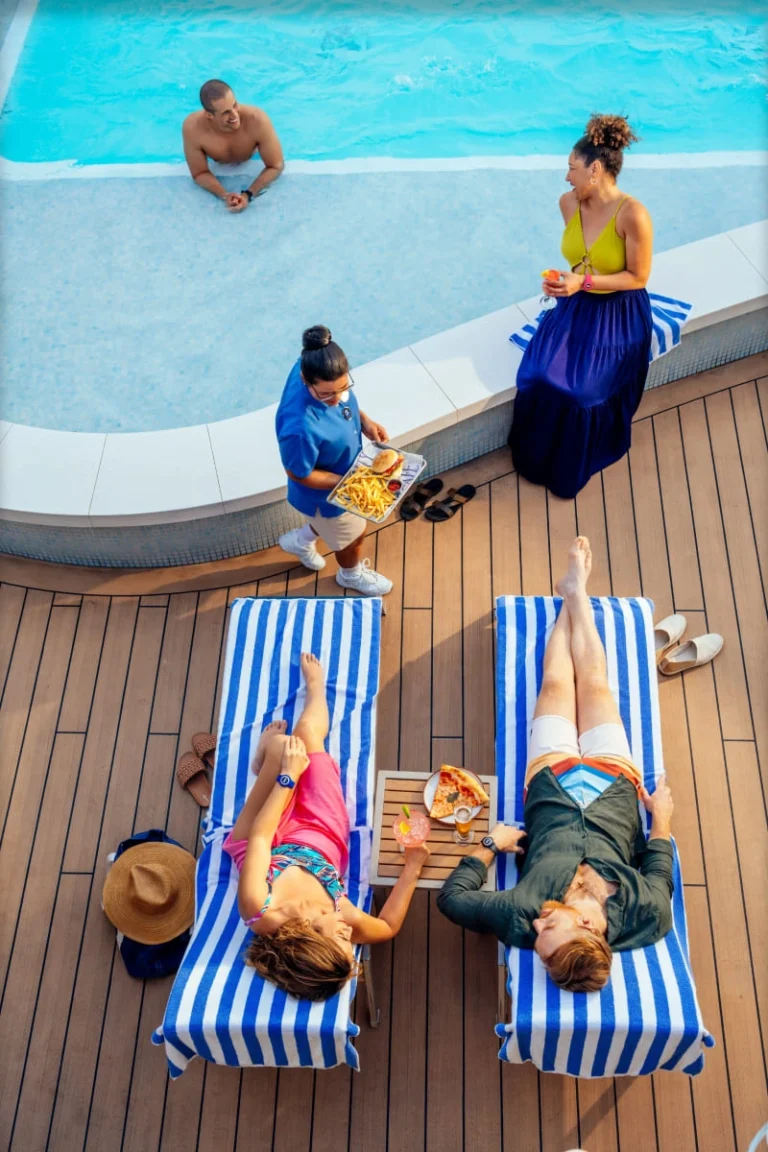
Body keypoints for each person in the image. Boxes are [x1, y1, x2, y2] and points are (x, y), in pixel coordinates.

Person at [437, 537, 674, 993]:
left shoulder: (521, 913)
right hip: (615, 784)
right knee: (597, 686)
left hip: (551, 780)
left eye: (538, 941)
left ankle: (573, 591)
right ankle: (576, 591)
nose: (536, 930)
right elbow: (660, 866)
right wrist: (661, 815)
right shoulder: (649, 913)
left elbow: (453, 901)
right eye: (551, 931)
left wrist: (490, 843)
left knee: (555, 682)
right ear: (588, 925)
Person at [223, 652, 429, 1001]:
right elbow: (388, 927)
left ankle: (265, 757)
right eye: (352, 943)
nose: (350, 933)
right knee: (304, 736)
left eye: (341, 939)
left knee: (282, 749)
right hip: (322, 830)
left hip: (263, 836)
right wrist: (412, 868)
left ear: (311, 936)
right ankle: (315, 688)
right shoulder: (340, 913)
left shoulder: (258, 905)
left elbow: (259, 834)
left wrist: (288, 777)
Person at [508, 114, 654, 499]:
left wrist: (582, 282)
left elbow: (638, 277)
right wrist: (563, 280)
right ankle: (533, 460)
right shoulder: (568, 203)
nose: (566, 176)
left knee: (579, 393)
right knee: (537, 375)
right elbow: (579, 259)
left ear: (596, 169)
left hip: (619, 315)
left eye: (572, 168)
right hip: (575, 305)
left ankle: (566, 471)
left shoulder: (632, 214)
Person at [276, 325, 393, 596]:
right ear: (306, 380)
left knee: (338, 528)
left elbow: (342, 398)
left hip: (345, 472)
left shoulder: (315, 363)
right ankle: (350, 575)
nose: (336, 398)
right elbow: (298, 472)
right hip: (326, 495)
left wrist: (365, 421)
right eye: (327, 394)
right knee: (354, 536)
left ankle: (301, 541)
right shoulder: (299, 428)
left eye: (344, 387)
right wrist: (348, 483)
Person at [182, 79, 284, 212]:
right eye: (225, 112)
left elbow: (276, 165)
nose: (234, 115)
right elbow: (199, 173)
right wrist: (225, 195)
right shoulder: (193, 128)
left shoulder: (257, 120)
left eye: (235, 105)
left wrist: (248, 195)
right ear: (209, 115)